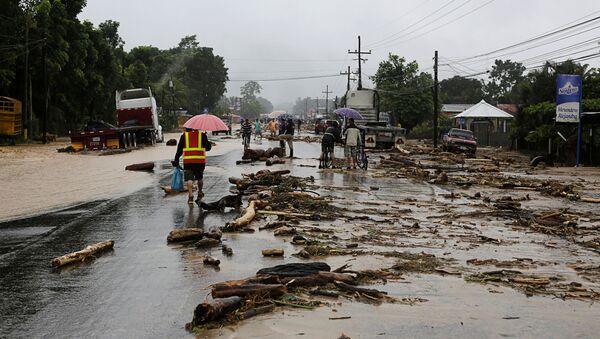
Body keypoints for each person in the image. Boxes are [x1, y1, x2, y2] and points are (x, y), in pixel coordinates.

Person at [172, 128, 212, 206]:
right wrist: (206, 140)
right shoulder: (202, 135)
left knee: (189, 179)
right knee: (200, 178)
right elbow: (208, 148)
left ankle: (190, 196)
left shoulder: (184, 136)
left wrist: (176, 160)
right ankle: (200, 192)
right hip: (200, 161)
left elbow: (179, 150)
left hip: (188, 161)